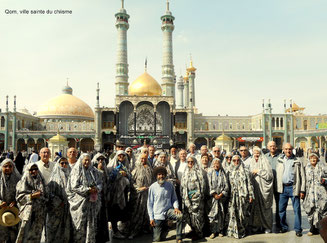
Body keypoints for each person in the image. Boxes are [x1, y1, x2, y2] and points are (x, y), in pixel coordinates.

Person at [66, 153, 102, 243]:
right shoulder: (76, 171)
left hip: (91, 202)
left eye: (88, 160)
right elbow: (74, 186)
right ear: (81, 160)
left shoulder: (93, 170)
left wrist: (96, 189)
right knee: (79, 225)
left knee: (91, 223)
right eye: (85, 160)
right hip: (80, 203)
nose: (86, 162)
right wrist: (87, 190)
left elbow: (100, 182)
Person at [147, 166, 183, 243]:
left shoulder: (170, 185)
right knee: (157, 239)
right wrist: (151, 218)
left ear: (165, 175)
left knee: (180, 216)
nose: (161, 176)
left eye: (163, 174)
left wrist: (176, 208)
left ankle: (179, 237)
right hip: (158, 215)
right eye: (159, 174)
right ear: (156, 175)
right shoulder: (152, 187)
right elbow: (149, 204)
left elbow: (174, 199)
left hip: (168, 211)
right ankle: (163, 229)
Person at [276, 143, 305, 237]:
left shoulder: (297, 160)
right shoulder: (280, 160)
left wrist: (302, 190)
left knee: (296, 209)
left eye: (289, 149)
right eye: (286, 149)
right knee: (281, 210)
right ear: (283, 150)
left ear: (292, 149)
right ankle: (284, 227)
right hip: (283, 188)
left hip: (293, 187)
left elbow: (302, 176)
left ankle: (298, 229)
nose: (288, 151)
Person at [15, 163, 47, 243]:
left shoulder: (41, 180)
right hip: (28, 214)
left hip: (39, 213)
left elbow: (46, 194)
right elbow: (19, 198)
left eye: (36, 169)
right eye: (31, 170)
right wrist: (31, 196)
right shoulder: (23, 182)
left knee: (36, 235)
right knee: (25, 234)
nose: (34, 171)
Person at [245, 146, 273, 234]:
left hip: (263, 188)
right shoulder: (249, 161)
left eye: (258, 153)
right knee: (254, 208)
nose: (256, 154)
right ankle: (256, 226)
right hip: (253, 188)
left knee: (265, 208)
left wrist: (259, 171)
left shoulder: (265, 162)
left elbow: (269, 175)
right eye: (255, 153)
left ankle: (267, 226)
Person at [226, 155, 254, 239]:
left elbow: (249, 183)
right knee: (233, 213)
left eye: (238, 160)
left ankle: (242, 230)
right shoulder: (229, 171)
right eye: (234, 160)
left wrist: (251, 195)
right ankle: (233, 231)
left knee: (242, 214)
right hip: (232, 196)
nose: (236, 162)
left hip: (243, 196)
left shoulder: (245, 170)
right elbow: (226, 184)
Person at [46, 157, 72, 243]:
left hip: (68, 207)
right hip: (56, 208)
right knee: (54, 228)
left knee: (66, 228)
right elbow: (49, 193)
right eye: (62, 163)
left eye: (66, 163)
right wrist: (58, 202)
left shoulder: (71, 175)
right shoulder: (54, 177)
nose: (64, 165)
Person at [107, 150, 131, 239]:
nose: (121, 157)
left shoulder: (126, 165)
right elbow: (108, 178)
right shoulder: (111, 166)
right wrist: (115, 173)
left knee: (122, 210)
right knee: (114, 210)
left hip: (123, 192)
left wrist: (126, 175)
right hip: (114, 193)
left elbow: (130, 177)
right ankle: (114, 230)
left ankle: (120, 229)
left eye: (123, 156)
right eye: (119, 156)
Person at [128, 153, 153, 239]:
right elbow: (131, 182)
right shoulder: (136, 169)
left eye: (145, 159)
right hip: (138, 196)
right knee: (137, 213)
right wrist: (138, 188)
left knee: (147, 213)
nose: (143, 160)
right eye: (142, 159)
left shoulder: (150, 169)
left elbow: (152, 180)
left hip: (148, 195)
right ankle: (134, 231)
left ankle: (145, 228)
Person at [181, 156, 206, 240]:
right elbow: (182, 185)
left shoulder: (199, 172)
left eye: (192, 162)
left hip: (196, 199)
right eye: (188, 162)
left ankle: (199, 233)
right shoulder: (185, 172)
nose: (190, 163)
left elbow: (202, 186)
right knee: (188, 216)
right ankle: (193, 231)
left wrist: (196, 197)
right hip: (187, 199)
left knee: (197, 217)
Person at [303, 153, 327, 236]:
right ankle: (312, 229)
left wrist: (324, 180)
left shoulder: (323, 167)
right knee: (311, 210)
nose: (313, 160)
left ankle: (322, 229)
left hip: (321, 193)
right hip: (310, 192)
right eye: (311, 158)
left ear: (317, 159)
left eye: (314, 158)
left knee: (322, 210)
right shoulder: (306, 168)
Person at [0, 159, 21, 243]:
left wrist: (16, 201)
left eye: (10, 166)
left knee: (13, 236)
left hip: (14, 212)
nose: (8, 168)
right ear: (2, 167)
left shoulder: (18, 179)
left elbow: (22, 193)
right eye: (5, 166)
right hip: (1, 211)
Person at [207, 158, 229, 239]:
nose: (216, 165)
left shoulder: (223, 173)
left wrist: (221, 194)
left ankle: (220, 230)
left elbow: (226, 186)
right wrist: (214, 194)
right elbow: (208, 185)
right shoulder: (210, 173)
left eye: (218, 163)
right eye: (215, 163)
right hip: (213, 198)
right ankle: (213, 231)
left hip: (221, 198)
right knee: (213, 215)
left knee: (221, 214)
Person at [91, 153, 110, 243]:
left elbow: (107, 181)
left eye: (102, 159)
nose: (101, 161)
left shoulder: (105, 169)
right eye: (99, 159)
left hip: (103, 197)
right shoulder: (92, 170)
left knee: (102, 217)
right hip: (94, 198)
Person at [265, 141, 281, 231]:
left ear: (276, 147)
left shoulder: (281, 157)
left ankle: (279, 223)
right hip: (268, 184)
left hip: (278, 183)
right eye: (270, 146)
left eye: (274, 146)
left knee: (279, 204)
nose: (272, 148)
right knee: (268, 204)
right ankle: (268, 223)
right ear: (268, 147)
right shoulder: (265, 157)